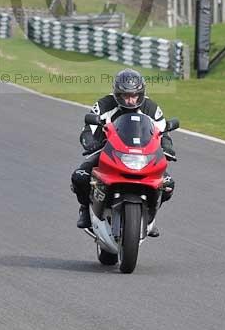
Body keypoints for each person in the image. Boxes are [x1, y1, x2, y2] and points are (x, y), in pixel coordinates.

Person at [71, 68, 176, 234]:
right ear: (117, 94)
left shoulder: (151, 108)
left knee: (168, 184)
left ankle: (150, 215)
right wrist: (90, 143)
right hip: (108, 151)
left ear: (141, 93)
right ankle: (85, 209)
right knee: (79, 176)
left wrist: (168, 148)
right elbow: (87, 130)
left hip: (144, 155)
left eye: (135, 95)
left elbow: (164, 132)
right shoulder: (104, 104)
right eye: (125, 96)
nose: (130, 101)